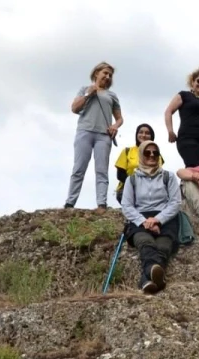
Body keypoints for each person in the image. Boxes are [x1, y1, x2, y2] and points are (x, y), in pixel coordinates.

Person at [120, 140, 180, 294]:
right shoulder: (131, 179)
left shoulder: (169, 177)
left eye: (155, 152)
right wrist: (143, 221)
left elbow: (175, 202)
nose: (152, 155)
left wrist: (158, 219)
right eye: (147, 152)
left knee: (163, 247)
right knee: (145, 243)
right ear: (141, 155)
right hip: (140, 218)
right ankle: (154, 278)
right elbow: (127, 205)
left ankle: (145, 280)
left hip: (165, 218)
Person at [66, 61, 123, 209]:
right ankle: (70, 203)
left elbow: (119, 118)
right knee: (79, 168)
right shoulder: (84, 89)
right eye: (105, 73)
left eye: (110, 75)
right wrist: (88, 95)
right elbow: (74, 108)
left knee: (101, 170)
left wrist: (115, 126)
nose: (107, 76)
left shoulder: (112, 95)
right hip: (84, 131)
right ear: (96, 73)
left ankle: (102, 203)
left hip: (103, 135)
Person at [165, 68, 199, 168]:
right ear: (192, 81)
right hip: (189, 138)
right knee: (194, 166)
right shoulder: (184, 95)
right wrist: (170, 131)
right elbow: (168, 111)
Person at [114, 123, 160, 203]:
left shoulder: (156, 154)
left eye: (147, 133)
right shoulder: (127, 151)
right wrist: (136, 185)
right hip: (128, 189)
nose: (144, 135)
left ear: (152, 136)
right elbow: (120, 175)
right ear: (136, 134)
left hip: (150, 191)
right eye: (141, 132)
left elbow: (158, 175)